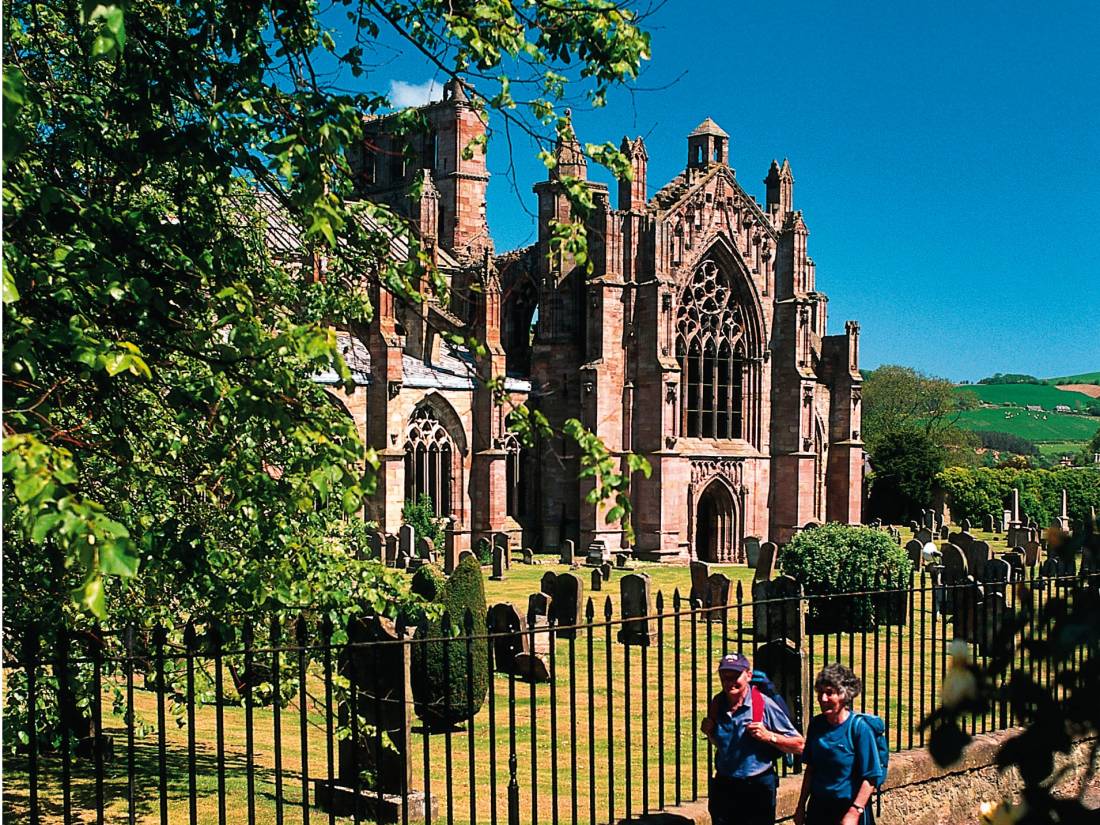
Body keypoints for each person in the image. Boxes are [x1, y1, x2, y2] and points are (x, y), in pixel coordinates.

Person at [700, 652, 805, 825]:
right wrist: (710, 733)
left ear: (748, 675)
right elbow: (724, 744)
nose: (729, 682)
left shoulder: (763, 705)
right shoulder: (718, 703)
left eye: (735, 676)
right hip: (724, 786)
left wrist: (769, 736)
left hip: (757, 787)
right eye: (724, 677)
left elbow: (800, 745)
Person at [794, 664, 882, 825]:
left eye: (829, 693)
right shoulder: (816, 725)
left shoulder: (859, 729)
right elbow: (811, 770)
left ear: (845, 695)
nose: (823, 699)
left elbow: (871, 777)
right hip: (818, 809)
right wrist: (800, 807)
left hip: (848, 809)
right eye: (820, 693)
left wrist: (855, 812)